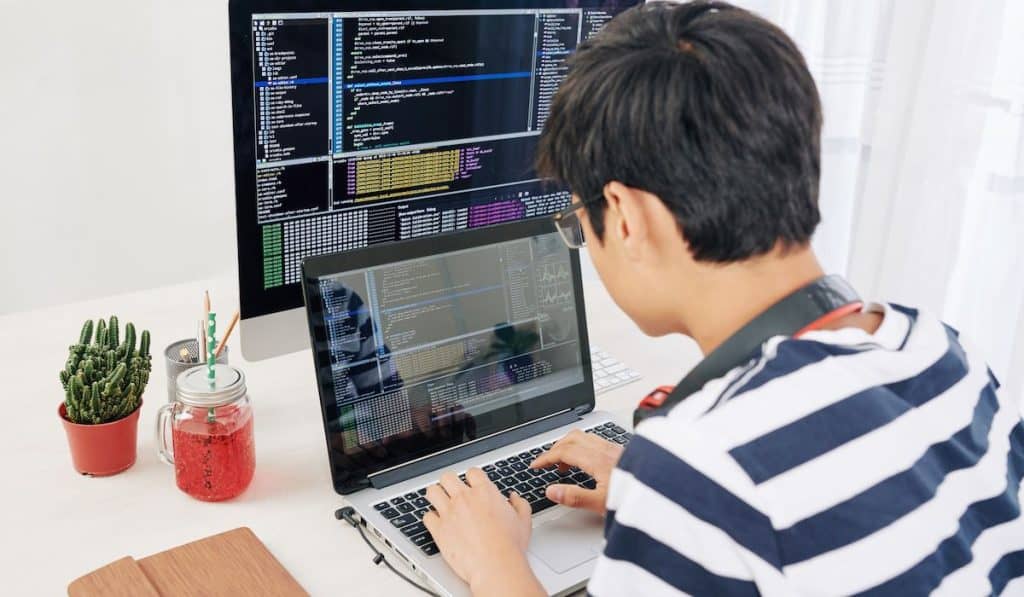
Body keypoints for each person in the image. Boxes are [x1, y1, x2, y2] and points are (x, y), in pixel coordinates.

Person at [421, 1, 1024, 595]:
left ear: (628, 218)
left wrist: (497, 565)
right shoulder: (943, 350)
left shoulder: (700, 468)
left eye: (578, 222)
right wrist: (653, 498)